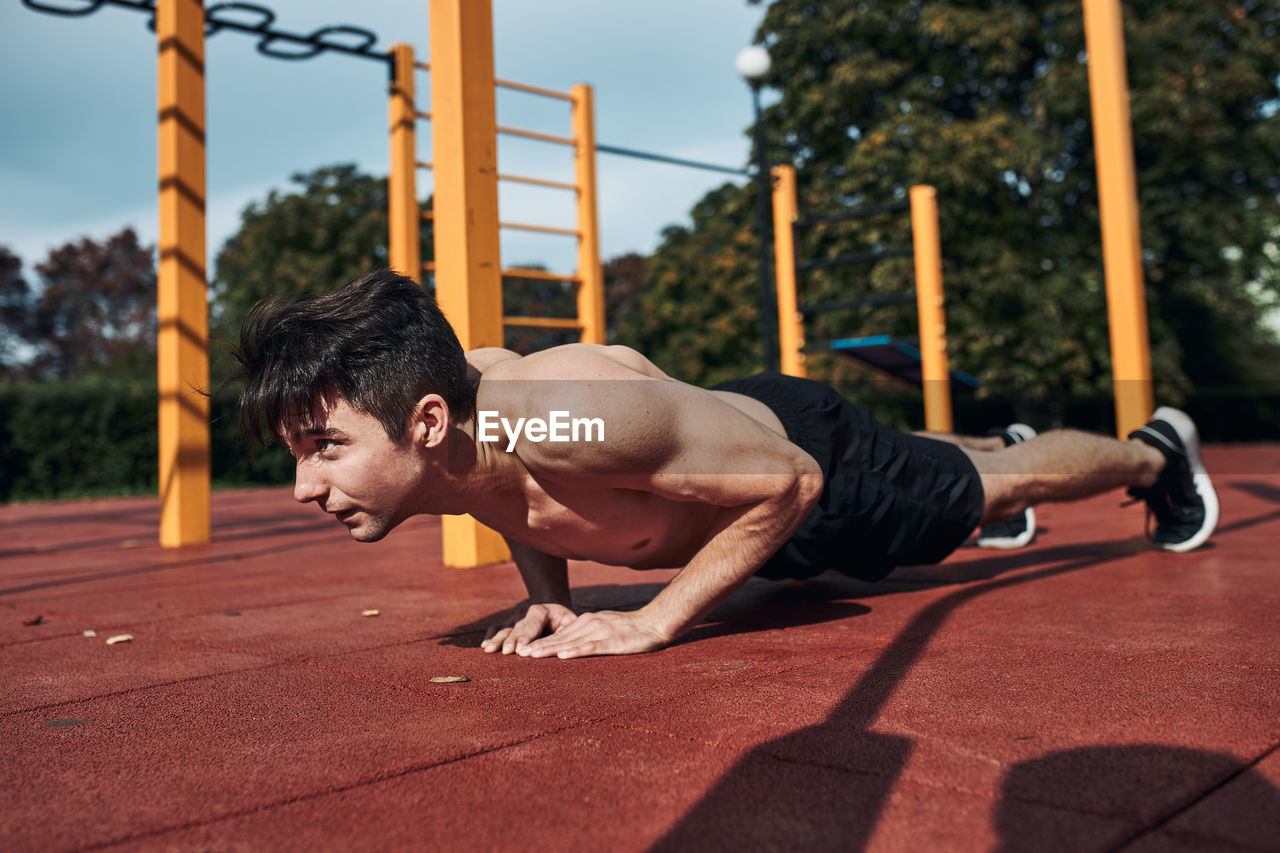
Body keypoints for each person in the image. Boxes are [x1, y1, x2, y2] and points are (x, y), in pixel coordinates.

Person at [231, 270, 1219, 660]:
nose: (305, 485)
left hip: (803, 466)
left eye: (325, 448)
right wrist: (551, 594)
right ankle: (983, 454)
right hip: (729, 442)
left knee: (997, 490)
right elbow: (507, 499)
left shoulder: (558, 424)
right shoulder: (447, 435)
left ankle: (1153, 452)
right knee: (955, 461)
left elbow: (788, 483)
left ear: (428, 422)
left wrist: (652, 621)